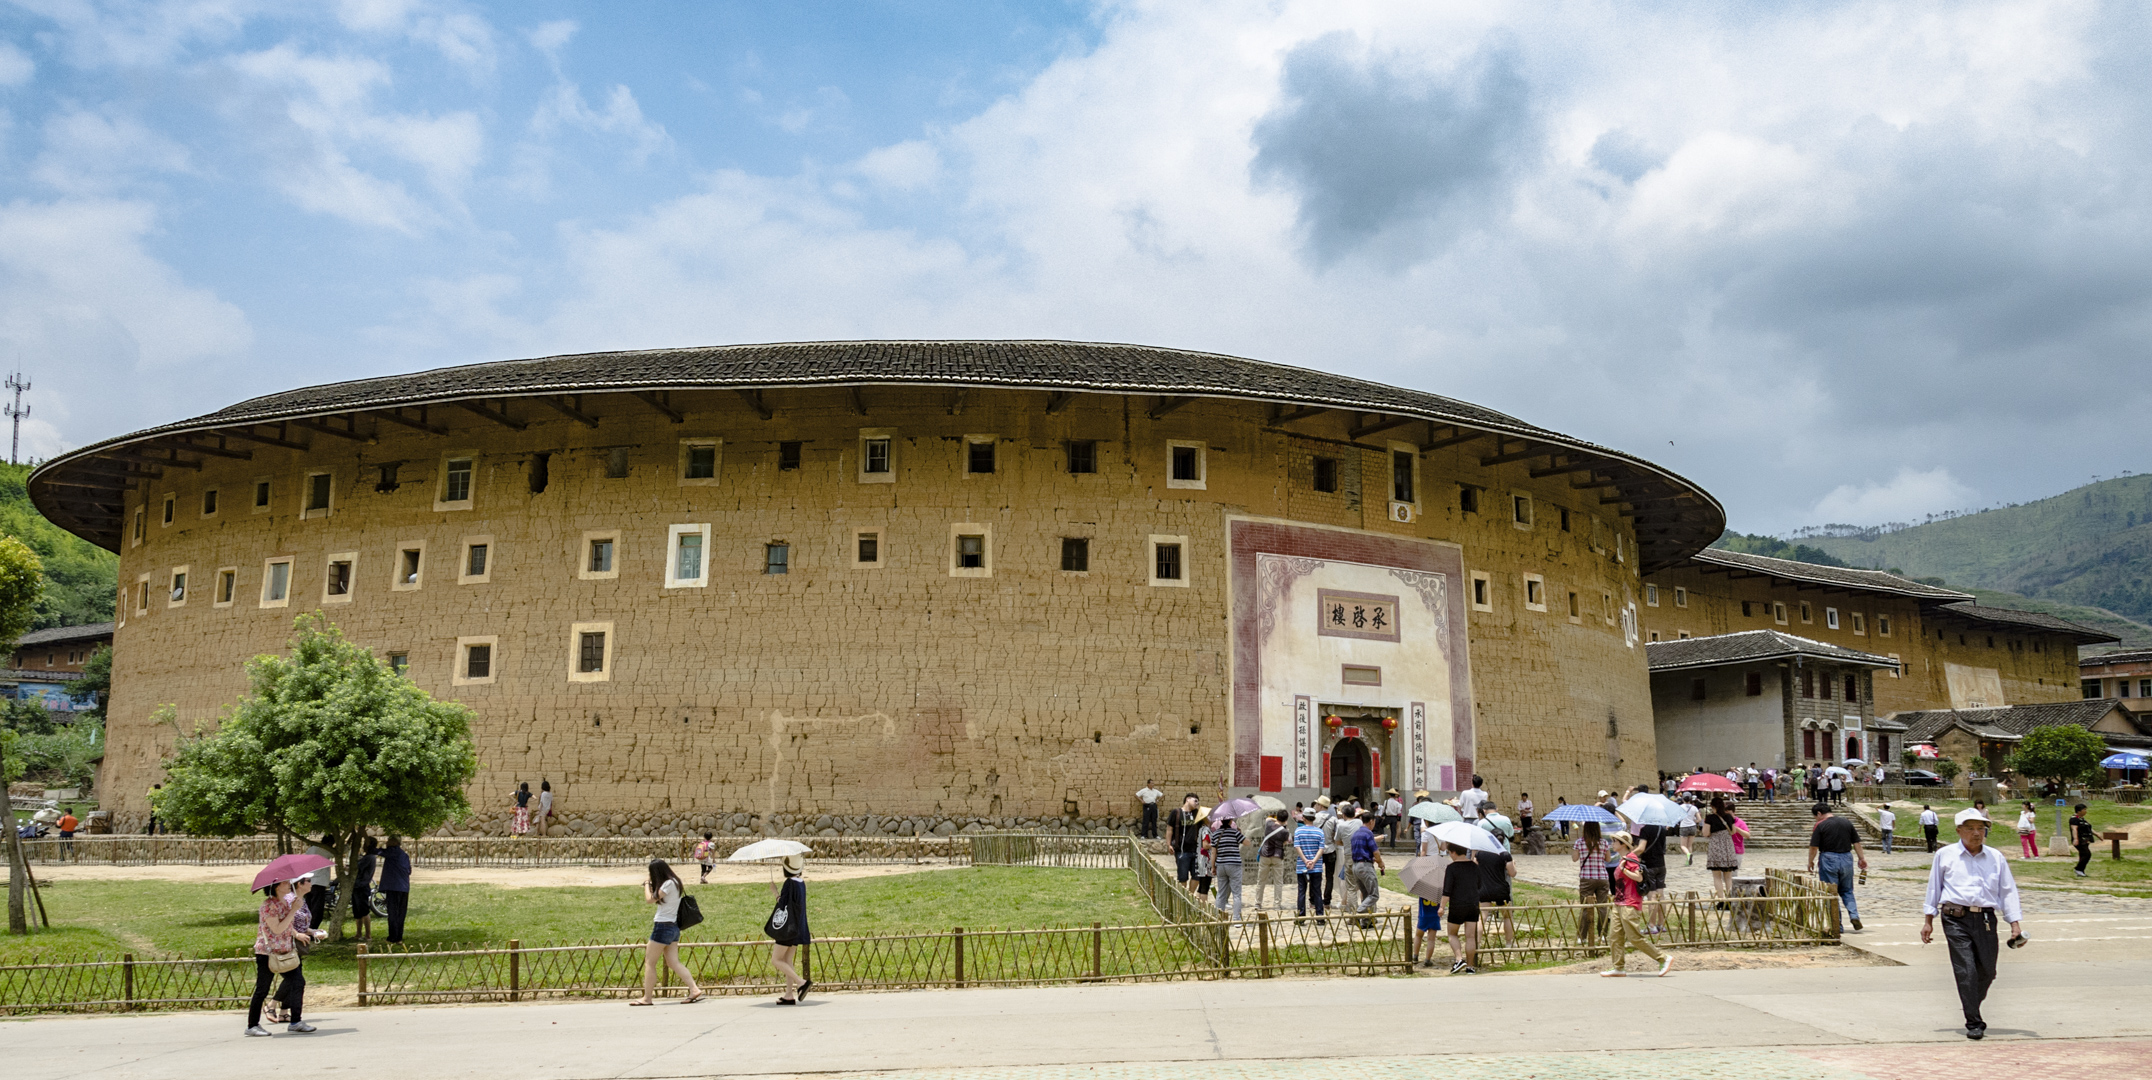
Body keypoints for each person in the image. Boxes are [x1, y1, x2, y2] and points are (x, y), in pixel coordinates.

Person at [1922, 808, 2025, 1040]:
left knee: (1988, 971)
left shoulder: (1996, 857)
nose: (1976, 833)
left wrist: (2015, 925)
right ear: (1959, 831)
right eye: (1970, 829)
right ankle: (1974, 1021)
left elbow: (2008, 891)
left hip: (1987, 919)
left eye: (1981, 828)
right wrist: (1928, 920)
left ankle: (1971, 1003)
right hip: (1955, 918)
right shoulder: (1945, 855)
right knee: (1966, 970)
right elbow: (1933, 887)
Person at [632, 859, 705, 1006]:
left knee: (650, 962)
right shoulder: (675, 882)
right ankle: (694, 989)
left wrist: (646, 885)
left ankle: (647, 998)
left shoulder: (668, 883)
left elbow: (650, 899)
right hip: (673, 926)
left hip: (663, 926)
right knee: (673, 962)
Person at [1601, 831, 1672, 978]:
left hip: (1630, 902)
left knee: (1634, 937)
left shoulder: (1630, 859)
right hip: (1619, 902)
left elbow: (1638, 878)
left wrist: (1624, 870)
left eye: (1615, 841)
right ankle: (1618, 967)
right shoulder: (1622, 859)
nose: (1612, 844)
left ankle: (1663, 958)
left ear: (1623, 844)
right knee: (1615, 936)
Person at [268, 877, 328, 1027]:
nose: (311, 883)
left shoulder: (302, 899)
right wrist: (296, 935)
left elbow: (301, 924)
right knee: (295, 980)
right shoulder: (289, 900)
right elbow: (284, 922)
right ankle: (272, 1006)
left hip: (299, 944)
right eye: (308, 880)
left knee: (295, 979)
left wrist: (313, 932)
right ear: (299, 884)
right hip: (288, 944)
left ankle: (283, 1012)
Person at [246, 879, 301, 1036]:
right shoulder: (269, 906)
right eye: (284, 882)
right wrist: (292, 912)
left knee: (297, 981)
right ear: (276, 886)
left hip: (284, 951)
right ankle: (252, 1025)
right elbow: (276, 929)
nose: (288, 884)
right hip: (268, 952)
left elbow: (289, 926)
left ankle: (296, 1021)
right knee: (262, 989)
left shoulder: (286, 901)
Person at [1807, 804, 1868, 932]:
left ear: (1819, 813)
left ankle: (1837, 925)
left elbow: (1814, 847)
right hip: (1846, 857)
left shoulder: (1820, 825)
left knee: (1831, 892)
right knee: (1847, 890)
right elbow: (1856, 842)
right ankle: (1854, 915)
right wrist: (1861, 858)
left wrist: (1810, 862)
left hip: (1828, 858)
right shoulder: (1846, 822)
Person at [766, 854, 811, 1004]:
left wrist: (774, 892)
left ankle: (801, 982)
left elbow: (782, 904)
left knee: (776, 960)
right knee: (787, 960)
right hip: (798, 927)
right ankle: (788, 994)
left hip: (787, 928)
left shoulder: (789, 883)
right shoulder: (801, 882)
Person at [1439, 842, 1481, 974]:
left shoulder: (1452, 868)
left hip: (1457, 904)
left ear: (1453, 852)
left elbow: (1447, 891)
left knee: (1452, 934)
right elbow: (1479, 884)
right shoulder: (1475, 866)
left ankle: (1459, 959)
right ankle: (1470, 966)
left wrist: (1441, 907)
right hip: (1473, 904)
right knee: (1470, 937)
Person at [1477, 821, 1516, 947]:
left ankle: (1476, 942)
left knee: (1482, 917)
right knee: (1507, 916)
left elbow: (1475, 865)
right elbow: (1512, 873)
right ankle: (1509, 942)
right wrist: (1513, 864)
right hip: (1500, 889)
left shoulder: (1480, 854)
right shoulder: (1505, 855)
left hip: (1484, 888)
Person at [1572, 820, 1610, 945]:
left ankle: (1582, 936)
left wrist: (1577, 847)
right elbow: (1608, 859)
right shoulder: (1604, 842)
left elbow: (1574, 858)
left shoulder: (1580, 842)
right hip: (1602, 877)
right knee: (1602, 907)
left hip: (1586, 878)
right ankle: (1603, 935)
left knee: (1585, 907)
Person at [1346, 808, 1384, 928]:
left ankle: (1366, 921)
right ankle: (1359, 912)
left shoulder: (1355, 834)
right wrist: (1380, 863)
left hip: (1356, 866)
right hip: (1365, 866)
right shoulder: (1368, 833)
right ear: (1372, 821)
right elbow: (1376, 852)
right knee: (1374, 894)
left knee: (1366, 894)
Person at [1701, 797, 1743, 900]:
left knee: (1717, 876)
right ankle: (1730, 899)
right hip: (1728, 846)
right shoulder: (1729, 817)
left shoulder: (1710, 818)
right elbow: (1733, 832)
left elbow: (1705, 833)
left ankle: (1721, 899)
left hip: (1716, 846)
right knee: (1728, 877)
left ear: (1712, 806)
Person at [1292, 810, 1327, 920]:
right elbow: (1321, 849)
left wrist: (1306, 860)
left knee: (1301, 891)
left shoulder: (1298, 831)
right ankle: (1320, 916)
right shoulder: (1319, 832)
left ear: (1304, 818)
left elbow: (1297, 847)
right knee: (1317, 891)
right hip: (1316, 867)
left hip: (1302, 866)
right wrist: (1313, 861)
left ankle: (1301, 917)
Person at [1211, 810, 1245, 919]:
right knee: (1236, 894)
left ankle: (1218, 916)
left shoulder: (1215, 834)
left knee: (1221, 893)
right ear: (1230, 821)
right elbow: (1246, 842)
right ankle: (1236, 917)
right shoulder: (1235, 833)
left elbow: (1213, 852)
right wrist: (1240, 833)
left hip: (1221, 864)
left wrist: (1213, 866)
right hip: (1234, 864)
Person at [379, 835, 412, 944]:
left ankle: (393, 937)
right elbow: (409, 870)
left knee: (392, 912)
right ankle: (399, 936)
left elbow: (376, 851)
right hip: (404, 887)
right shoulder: (404, 855)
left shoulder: (391, 852)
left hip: (393, 887)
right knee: (401, 913)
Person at [1255, 810, 1290, 910]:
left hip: (1265, 855)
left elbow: (1268, 818)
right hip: (1277, 856)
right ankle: (1277, 904)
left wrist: (1275, 820)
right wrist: (1285, 825)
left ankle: (1258, 903)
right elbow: (1286, 842)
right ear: (1286, 819)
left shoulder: (1269, 824)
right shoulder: (1285, 831)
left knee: (1261, 880)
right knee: (1278, 882)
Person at [1168, 794, 1200, 892]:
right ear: (1188, 799)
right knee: (1182, 876)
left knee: (1197, 875)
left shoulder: (1197, 814)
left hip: (1196, 850)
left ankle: (1190, 895)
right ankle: (1183, 895)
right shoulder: (1176, 812)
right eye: (1195, 801)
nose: (1197, 803)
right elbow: (1169, 829)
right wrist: (1168, 844)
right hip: (1182, 850)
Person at [301, 836, 334, 929]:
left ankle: (306, 928)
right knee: (317, 909)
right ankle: (312, 929)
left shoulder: (312, 849)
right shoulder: (325, 850)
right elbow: (340, 852)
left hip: (309, 882)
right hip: (319, 883)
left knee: (308, 907)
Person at [350, 835, 378, 941]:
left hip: (362, 886)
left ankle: (368, 935)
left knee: (364, 912)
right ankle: (358, 933)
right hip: (357, 886)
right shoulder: (367, 857)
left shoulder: (369, 858)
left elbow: (357, 867)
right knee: (357, 912)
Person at [1192, 808, 1215, 897]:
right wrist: (1215, 844)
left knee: (1201, 885)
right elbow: (1205, 845)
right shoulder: (1205, 830)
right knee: (1205, 886)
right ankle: (1203, 906)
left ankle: (1198, 904)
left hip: (1201, 860)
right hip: (1206, 861)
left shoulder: (1201, 829)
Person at [2071, 803, 2095, 877]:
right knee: (2087, 854)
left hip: (2085, 839)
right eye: (2084, 809)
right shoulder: (2074, 819)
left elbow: (2089, 828)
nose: (2085, 811)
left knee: (2083, 854)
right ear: (2079, 811)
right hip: (2080, 839)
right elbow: (2074, 829)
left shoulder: (2082, 819)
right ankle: (2078, 869)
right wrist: (2075, 839)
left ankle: (2081, 871)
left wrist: (2097, 835)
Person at [1677, 797, 1699, 866]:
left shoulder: (1680, 807)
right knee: (1689, 845)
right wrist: (1693, 821)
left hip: (1684, 826)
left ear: (1683, 799)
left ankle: (1688, 854)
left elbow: (1677, 817)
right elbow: (1699, 819)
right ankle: (1688, 860)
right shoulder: (1694, 807)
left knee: (1683, 846)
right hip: (1692, 826)